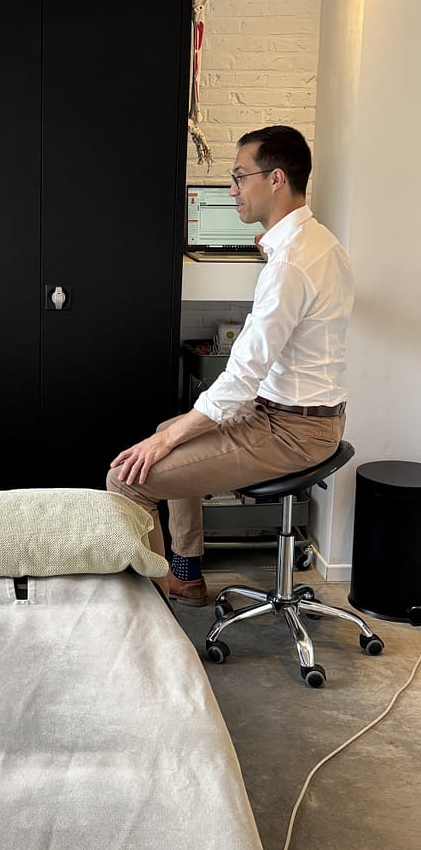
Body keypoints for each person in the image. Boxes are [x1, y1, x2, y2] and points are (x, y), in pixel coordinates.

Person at [107, 126, 354, 605]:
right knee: (169, 429)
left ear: (276, 178)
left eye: (240, 177)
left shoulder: (291, 263)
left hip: (292, 429)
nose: (232, 189)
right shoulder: (317, 242)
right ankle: (186, 573)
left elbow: (242, 376)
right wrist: (172, 433)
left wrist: (166, 442)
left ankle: (153, 610)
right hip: (306, 416)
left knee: (127, 478)